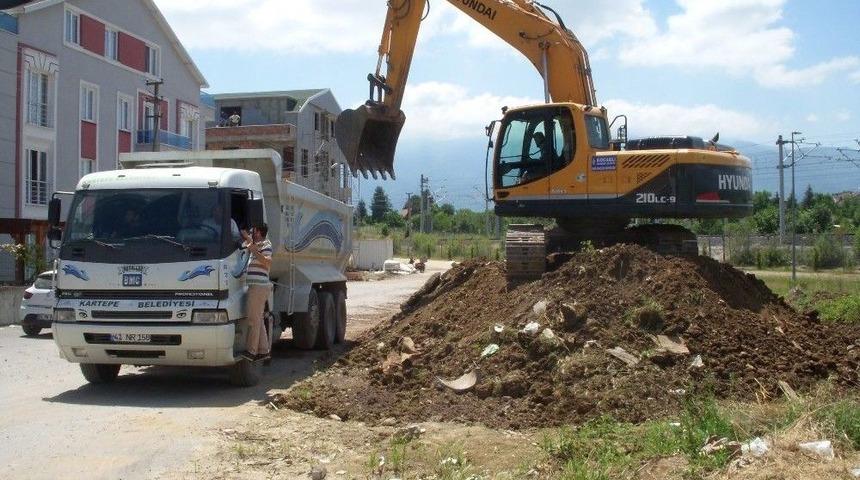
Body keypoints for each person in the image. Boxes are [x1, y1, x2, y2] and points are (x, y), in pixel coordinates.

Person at [240, 223, 273, 362]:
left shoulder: (266, 245)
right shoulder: (257, 245)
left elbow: (267, 262)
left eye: (253, 231)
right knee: (258, 318)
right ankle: (264, 351)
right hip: (256, 286)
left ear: (258, 232)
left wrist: (254, 251)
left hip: (259, 287)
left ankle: (251, 351)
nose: (252, 233)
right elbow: (250, 243)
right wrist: (246, 236)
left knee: (253, 320)